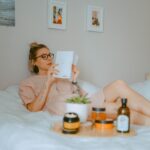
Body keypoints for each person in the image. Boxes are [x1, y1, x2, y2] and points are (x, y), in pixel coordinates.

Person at [19, 42, 150, 126]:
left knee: (119, 84)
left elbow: (80, 98)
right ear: (33, 62)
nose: (49, 58)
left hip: (83, 104)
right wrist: (48, 82)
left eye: (49, 55)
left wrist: (74, 79)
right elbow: (32, 109)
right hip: (64, 108)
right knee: (116, 107)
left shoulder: (62, 77)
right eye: (43, 56)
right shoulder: (28, 83)